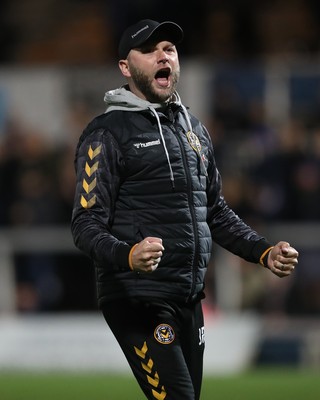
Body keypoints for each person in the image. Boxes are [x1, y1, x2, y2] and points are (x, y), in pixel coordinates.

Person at [71, 19, 299, 400]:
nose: (164, 55)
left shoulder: (193, 129)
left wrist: (263, 251)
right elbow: (85, 223)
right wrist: (128, 255)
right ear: (125, 68)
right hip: (137, 297)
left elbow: (215, 211)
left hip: (189, 296)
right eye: (149, 50)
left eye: (170, 49)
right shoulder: (106, 134)